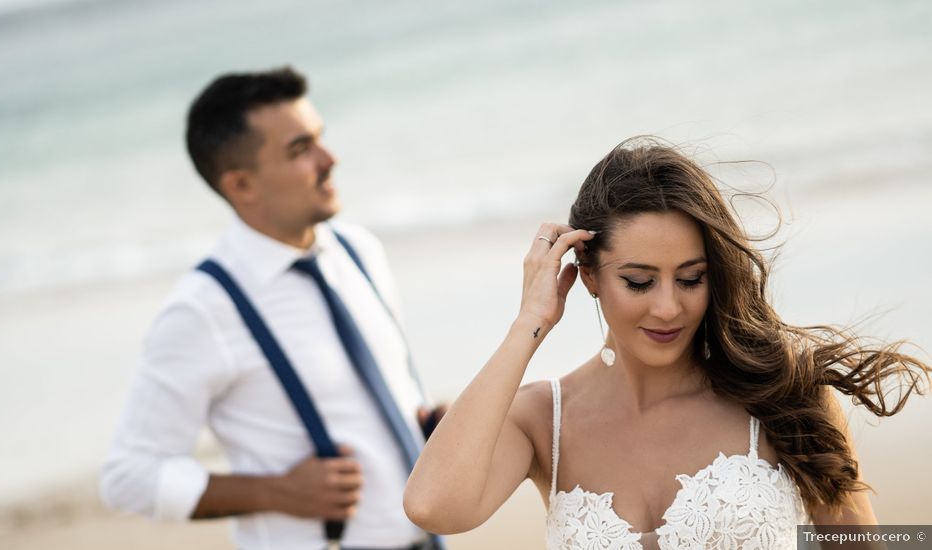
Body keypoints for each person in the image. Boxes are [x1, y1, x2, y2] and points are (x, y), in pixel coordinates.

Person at [403, 138, 932, 549]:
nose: (667, 307)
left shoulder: (781, 389)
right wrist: (528, 326)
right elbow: (433, 506)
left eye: (690, 278)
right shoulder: (545, 420)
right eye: (638, 281)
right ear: (586, 273)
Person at [101, 67, 442, 550]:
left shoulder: (359, 251)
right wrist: (275, 491)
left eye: (320, 138)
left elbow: (374, 399)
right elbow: (128, 476)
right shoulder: (202, 310)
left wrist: (428, 427)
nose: (330, 159)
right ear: (241, 185)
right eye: (301, 150)